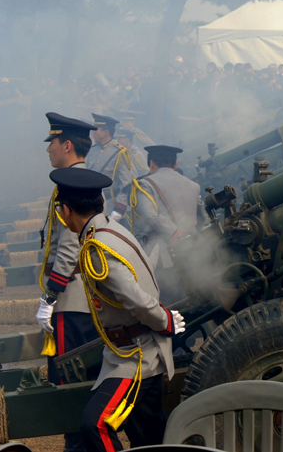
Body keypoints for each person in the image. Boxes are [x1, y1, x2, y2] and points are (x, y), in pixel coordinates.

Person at [46, 167, 184, 452]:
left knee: (95, 424)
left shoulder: (97, 247)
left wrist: (164, 321)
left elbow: (135, 298)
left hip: (136, 357)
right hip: (134, 350)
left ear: (66, 211)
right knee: (149, 441)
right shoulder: (112, 230)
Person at [38, 113, 101, 452]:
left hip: (71, 298)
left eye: (51, 142)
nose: (48, 149)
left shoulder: (70, 185)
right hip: (87, 296)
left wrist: (50, 297)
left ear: (66, 145)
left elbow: (67, 249)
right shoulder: (87, 179)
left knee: (70, 381)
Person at [125, 145, 207, 304]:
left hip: (164, 257)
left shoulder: (145, 184)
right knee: (197, 298)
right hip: (193, 252)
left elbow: (150, 215)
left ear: (151, 164)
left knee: (171, 303)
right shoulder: (193, 185)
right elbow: (203, 219)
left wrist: (174, 233)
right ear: (175, 164)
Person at [85, 114, 138, 217]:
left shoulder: (120, 152)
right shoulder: (92, 150)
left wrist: (119, 209)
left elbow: (126, 184)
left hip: (109, 205)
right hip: (90, 203)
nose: (93, 132)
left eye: (96, 129)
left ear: (106, 132)